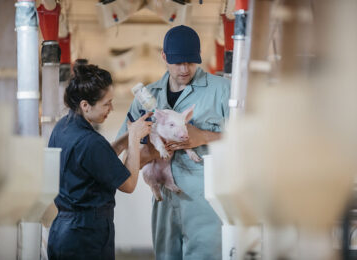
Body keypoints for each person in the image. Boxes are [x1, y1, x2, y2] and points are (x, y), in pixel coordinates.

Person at [117, 25, 230, 260]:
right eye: (178, 62)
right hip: (164, 201)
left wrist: (204, 136)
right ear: (164, 57)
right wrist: (151, 151)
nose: (184, 69)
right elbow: (127, 160)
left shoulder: (221, 90)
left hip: (206, 202)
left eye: (190, 61)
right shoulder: (146, 98)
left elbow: (248, 140)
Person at [47, 63, 153, 259]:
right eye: (106, 103)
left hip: (63, 229)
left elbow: (97, 159)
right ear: (85, 105)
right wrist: (134, 140)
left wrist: (126, 138)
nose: (111, 108)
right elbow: (128, 185)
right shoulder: (90, 141)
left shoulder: (63, 127)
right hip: (86, 236)